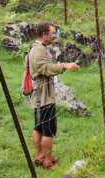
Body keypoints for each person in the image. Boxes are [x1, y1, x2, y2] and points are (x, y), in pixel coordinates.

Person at [28, 22, 79, 169]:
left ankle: (39, 156)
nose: (54, 36)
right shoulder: (38, 50)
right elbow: (46, 68)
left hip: (38, 95)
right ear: (44, 34)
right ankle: (48, 162)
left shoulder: (38, 48)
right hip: (44, 95)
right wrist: (65, 65)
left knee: (38, 127)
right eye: (52, 33)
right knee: (48, 130)